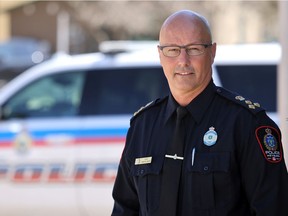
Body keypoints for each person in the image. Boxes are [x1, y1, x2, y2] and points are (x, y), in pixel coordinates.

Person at [111, 10, 288, 216]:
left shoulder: (247, 124)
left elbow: (274, 209)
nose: (183, 60)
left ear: (212, 52)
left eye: (194, 49)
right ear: (160, 55)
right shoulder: (142, 127)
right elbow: (125, 209)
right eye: (172, 50)